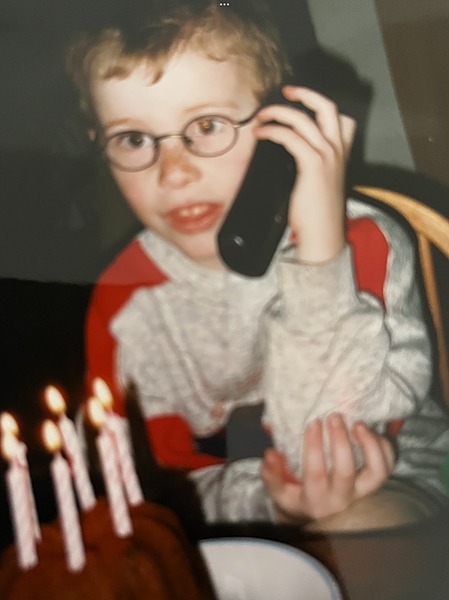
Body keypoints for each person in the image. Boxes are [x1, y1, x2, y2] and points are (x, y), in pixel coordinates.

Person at [67, 0, 449, 528]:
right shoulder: (125, 300)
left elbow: (341, 446)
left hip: (392, 476)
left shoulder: (361, 241)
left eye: (207, 125)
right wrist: (269, 504)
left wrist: (320, 258)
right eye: (133, 139)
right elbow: (157, 483)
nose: (174, 173)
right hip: (240, 514)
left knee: (355, 521)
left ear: (280, 123)